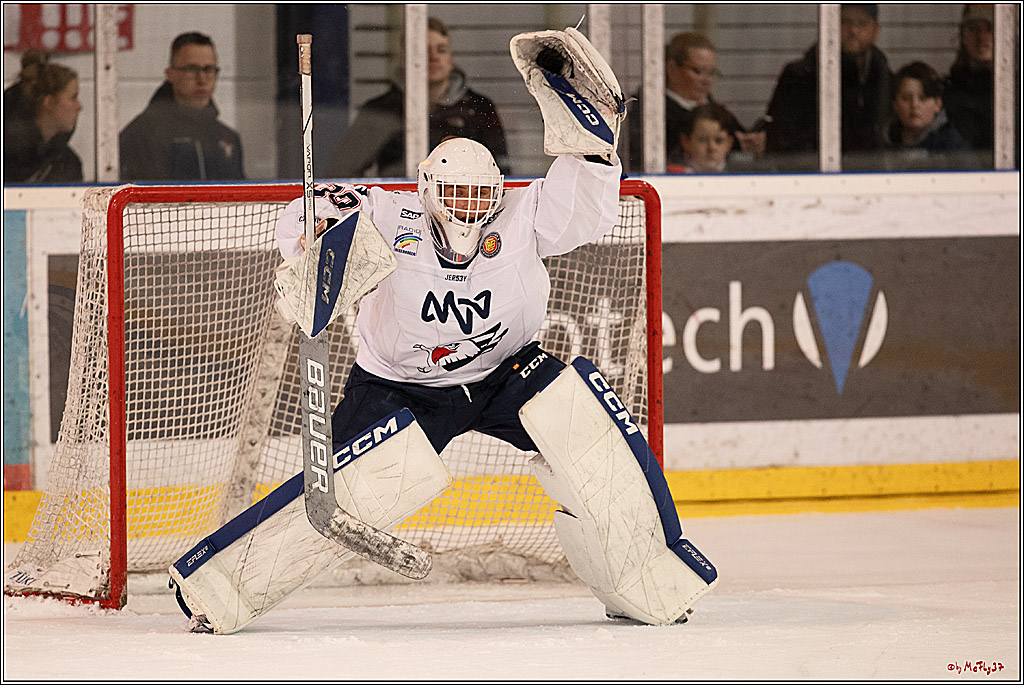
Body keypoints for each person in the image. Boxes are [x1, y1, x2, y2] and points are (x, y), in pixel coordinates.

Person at [169, 27, 716, 635]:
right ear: (426, 188)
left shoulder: (520, 211)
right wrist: (312, 245)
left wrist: (591, 150)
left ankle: (646, 580)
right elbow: (306, 208)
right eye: (454, 193)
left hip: (506, 374)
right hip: (397, 386)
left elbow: (584, 213)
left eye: (481, 194)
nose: (469, 207)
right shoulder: (383, 210)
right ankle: (216, 589)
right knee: (345, 492)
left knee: (588, 426)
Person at [326, 18, 508, 178]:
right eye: (423, 49)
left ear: (451, 59)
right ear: (404, 59)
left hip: (462, 209)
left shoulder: (478, 108)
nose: (434, 57)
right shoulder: (381, 109)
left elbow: (501, 171)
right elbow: (342, 171)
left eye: (441, 50)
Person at [763, 4, 893, 162]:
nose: (853, 31)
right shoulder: (799, 76)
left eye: (862, 23)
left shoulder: (886, 79)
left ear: (876, 30)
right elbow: (781, 137)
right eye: (845, 22)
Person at [628, 31, 764, 172]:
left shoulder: (716, 111)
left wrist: (748, 144)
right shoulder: (647, 112)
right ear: (672, 68)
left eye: (711, 72)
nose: (707, 80)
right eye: (698, 71)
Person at [119, 32, 244, 181]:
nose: (202, 79)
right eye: (192, 69)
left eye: (209, 70)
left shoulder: (227, 138)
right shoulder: (141, 135)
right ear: (170, 74)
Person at [3, 50, 83, 184]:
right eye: (73, 98)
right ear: (49, 102)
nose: (79, 107)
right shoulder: (8, 155)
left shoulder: (67, 163)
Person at [888, 61, 969, 155]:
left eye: (923, 98)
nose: (914, 105)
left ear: (937, 104)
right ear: (895, 105)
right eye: (906, 98)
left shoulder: (953, 146)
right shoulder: (883, 142)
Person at [944, 4, 995, 152]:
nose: (982, 37)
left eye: (990, 28)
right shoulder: (951, 89)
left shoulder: (1015, 89)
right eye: (973, 28)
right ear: (963, 35)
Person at [667, 103, 736, 174]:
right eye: (703, 140)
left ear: (729, 144)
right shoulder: (669, 173)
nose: (711, 148)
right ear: (686, 142)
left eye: (719, 141)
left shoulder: (739, 174)